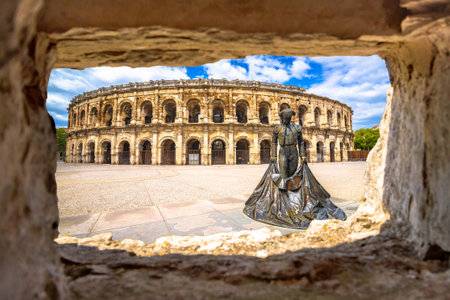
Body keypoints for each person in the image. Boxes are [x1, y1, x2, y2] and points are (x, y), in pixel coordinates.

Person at [243, 108, 346, 229]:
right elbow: (274, 143)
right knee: (283, 175)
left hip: (293, 151)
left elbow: (301, 142)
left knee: (292, 175)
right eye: (285, 118)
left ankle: (292, 202)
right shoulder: (277, 128)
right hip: (283, 152)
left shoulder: (297, 128)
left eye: (288, 118)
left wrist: (303, 155)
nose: (286, 120)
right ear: (282, 118)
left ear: (290, 118)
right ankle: (283, 203)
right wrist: (274, 156)